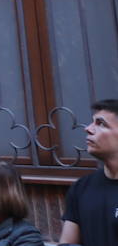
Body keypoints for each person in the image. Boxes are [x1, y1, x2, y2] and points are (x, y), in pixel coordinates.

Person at [60, 98, 118, 246]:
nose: (88, 128)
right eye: (92, 122)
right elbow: (67, 243)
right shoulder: (82, 187)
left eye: (101, 123)